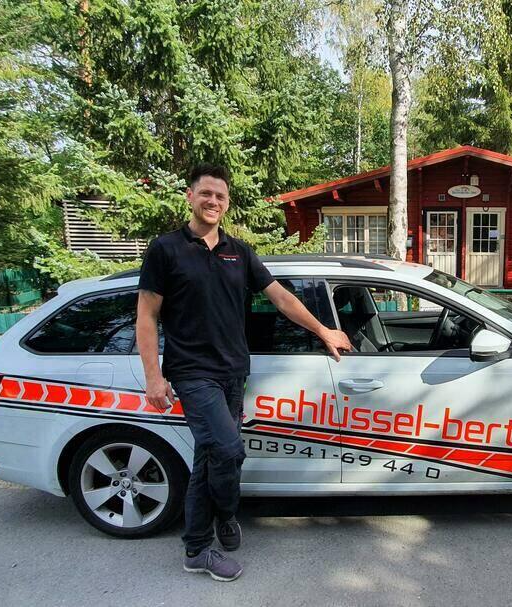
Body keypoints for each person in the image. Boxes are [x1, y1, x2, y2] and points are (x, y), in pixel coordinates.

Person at [136, 163, 352, 582]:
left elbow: (281, 298)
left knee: (211, 455)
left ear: (227, 202)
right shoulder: (166, 249)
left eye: (220, 196)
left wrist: (324, 330)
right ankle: (217, 527)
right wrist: (152, 377)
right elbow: (146, 317)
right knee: (230, 449)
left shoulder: (240, 251)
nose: (212, 201)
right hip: (192, 372)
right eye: (205, 194)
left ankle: (201, 541)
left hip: (234, 371)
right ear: (189, 196)